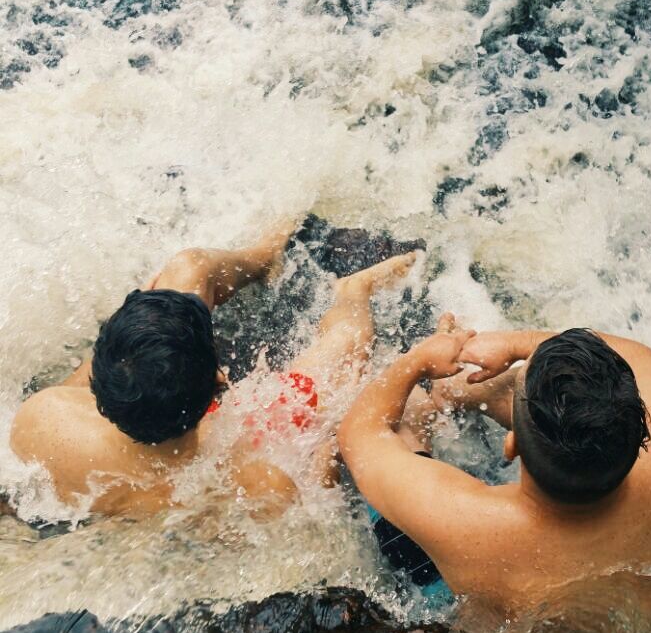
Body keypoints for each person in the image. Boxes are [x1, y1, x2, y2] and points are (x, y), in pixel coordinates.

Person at [10, 221, 416, 520]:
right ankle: (353, 292)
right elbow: (317, 516)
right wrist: (329, 451)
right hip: (226, 441)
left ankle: (262, 258)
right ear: (221, 380)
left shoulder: (44, 419)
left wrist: (146, 323)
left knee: (190, 268)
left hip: (138, 415)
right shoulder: (253, 480)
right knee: (341, 349)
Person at [338, 316, 651, 620]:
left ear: (510, 445)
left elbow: (359, 434)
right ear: (640, 434)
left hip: (459, 614)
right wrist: (517, 344)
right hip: (607, 627)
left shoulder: (465, 519)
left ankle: (442, 392)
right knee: (507, 390)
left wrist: (414, 361)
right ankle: (461, 390)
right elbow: (638, 357)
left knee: (406, 420)